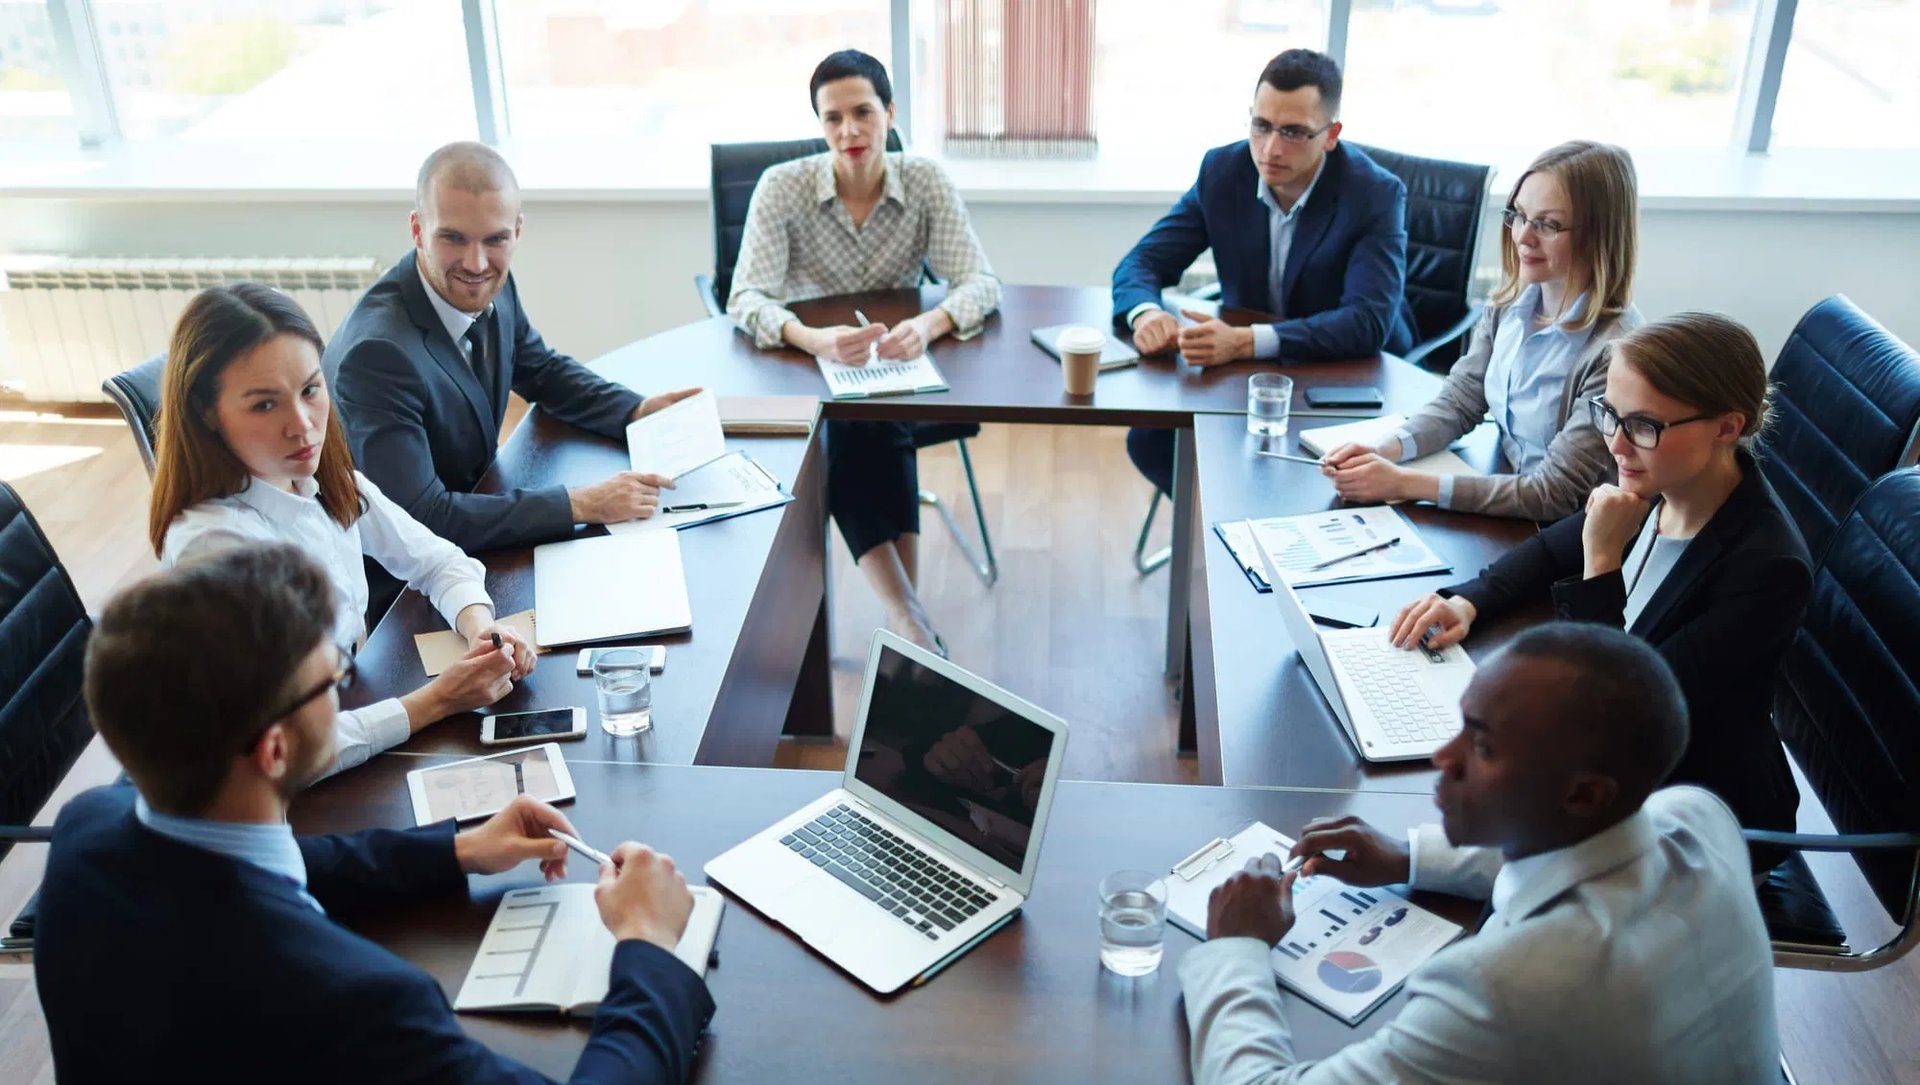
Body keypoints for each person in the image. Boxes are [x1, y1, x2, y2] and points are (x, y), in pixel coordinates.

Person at [34, 544, 714, 1083]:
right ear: (274, 748)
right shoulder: (355, 1003)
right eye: (330, 679)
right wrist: (649, 944)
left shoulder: (86, 831)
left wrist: (457, 851)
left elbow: (251, 865)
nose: (341, 692)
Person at [1182, 623, 1780, 1084]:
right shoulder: (1699, 816)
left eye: (1484, 746)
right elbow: (1589, 847)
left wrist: (1237, 945)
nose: (1446, 756)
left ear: (1583, 793)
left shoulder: (1502, 989)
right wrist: (1408, 857)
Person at [1390, 312, 1810, 856]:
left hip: (1691, 822)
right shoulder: (1668, 476)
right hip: (1612, 778)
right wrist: (1469, 600)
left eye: (1642, 426)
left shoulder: (1767, 569)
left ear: (1727, 427)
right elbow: (1548, 551)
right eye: (1609, 415)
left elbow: (1612, 713)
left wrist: (1603, 558)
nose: (1616, 445)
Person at [149, 283, 535, 776]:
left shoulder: (318, 476)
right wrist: (438, 701)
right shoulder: (214, 547)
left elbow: (436, 559)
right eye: (265, 405)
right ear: (206, 414)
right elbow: (286, 753)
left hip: (349, 706)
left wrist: (483, 629)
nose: (304, 425)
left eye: (310, 389)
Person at [728, 49, 1002, 653]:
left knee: (877, 425)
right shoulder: (783, 187)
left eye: (863, 113)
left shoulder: (924, 180)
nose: (849, 131)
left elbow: (981, 282)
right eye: (833, 119)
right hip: (804, 369)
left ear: (890, 112)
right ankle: (910, 619)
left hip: (893, 364)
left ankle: (907, 623)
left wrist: (930, 324)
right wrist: (811, 336)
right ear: (819, 124)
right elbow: (744, 297)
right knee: (856, 430)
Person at [325, 141, 700, 554]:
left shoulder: (492, 286)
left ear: (517, 231)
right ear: (417, 230)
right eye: (453, 238)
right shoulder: (377, 356)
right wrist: (582, 504)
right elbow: (421, 518)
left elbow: (540, 369)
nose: (476, 263)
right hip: (410, 576)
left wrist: (636, 410)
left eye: (495, 239)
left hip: (480, 510)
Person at [1112, 48, 1416, 497]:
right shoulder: (1223, 171)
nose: (1270, 149)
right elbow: (1142, 262)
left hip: (1347, 373)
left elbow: (1367, 323)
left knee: (1312, 481)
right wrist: (1145, 314)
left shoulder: (1374, 194)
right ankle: (1224, 536)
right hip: (1246, 374)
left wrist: (1243, 341)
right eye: (1261, 126)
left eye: (1293, 132)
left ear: (1330, 135)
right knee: (1152, 442)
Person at [1321, 140, 1643, 521]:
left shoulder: (1614, 352)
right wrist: (1385, 448)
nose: (1523, 236)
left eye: (1548, 224)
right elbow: (1461, 401)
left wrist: (1402, 483)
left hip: (1565, 531)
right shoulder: (1511, 301)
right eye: (1519, 215)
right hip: (1502, 494)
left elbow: (1554, 493)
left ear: (1599, 234)